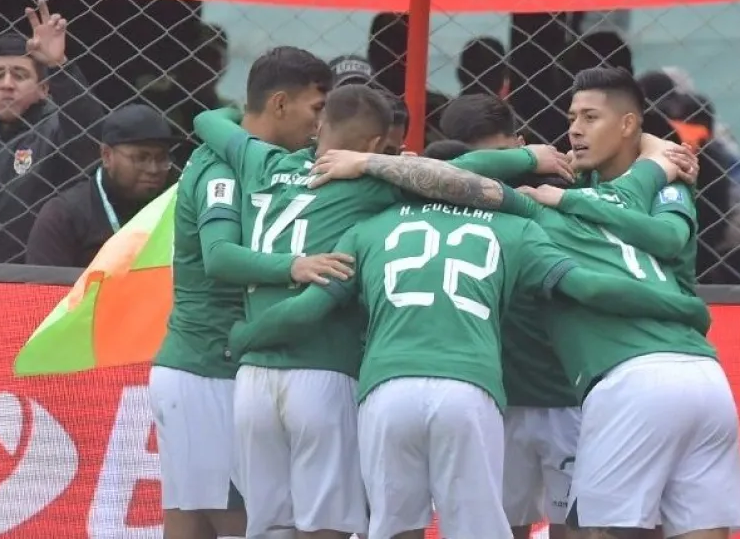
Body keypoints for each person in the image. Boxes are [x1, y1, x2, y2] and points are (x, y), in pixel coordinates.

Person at [225, 147, 709, 539]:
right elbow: (589, 287)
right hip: (467, 388)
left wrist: (244, 336)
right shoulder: (514, 227)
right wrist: (679, 305)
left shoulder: (370, 227)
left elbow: (308, 309)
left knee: (394, 528)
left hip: (387, 389)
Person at [191, 83, 577, 539]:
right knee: (328, 524)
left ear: (320, 127)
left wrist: (242, 336)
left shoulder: (263, 161)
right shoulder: (373, 187)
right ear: (376, 147)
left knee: (269, 524)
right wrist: (529, 158)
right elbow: (455, 174)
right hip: (326, 369)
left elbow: (206, 121)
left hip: (255, 378)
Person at [518, 67, 740, 539]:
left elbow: (668, 237)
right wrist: (651, 155)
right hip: (703, 374)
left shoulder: (657, 186)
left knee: (599, 530)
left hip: (631, 379)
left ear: (627, 124)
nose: (575, 130)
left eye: (590, 117)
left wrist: (564, 202)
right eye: (571, 117)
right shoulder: (619, 181)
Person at [149, 46, 346, 539]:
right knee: (237, 521)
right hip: (205, 366)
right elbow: (219, 256)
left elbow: (212, 117)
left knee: (195, 515)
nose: (320, 124)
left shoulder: (259, 159)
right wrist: (294, 266)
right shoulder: (222, 168)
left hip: (212, 366)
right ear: (279, 104)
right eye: (317, 109)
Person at [0, 0, 103, 263]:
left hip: (37, 277)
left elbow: (92, 136)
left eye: (20, 75)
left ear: (44, 89)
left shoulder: (57, 130)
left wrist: (59, 66)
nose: (7, 84)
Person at [26, 104, 176, 267]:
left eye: (161, 159)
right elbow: (44, 289)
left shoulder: (175, 207)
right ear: (106, 155)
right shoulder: (64, 216)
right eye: (141, 158)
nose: (153, 169)